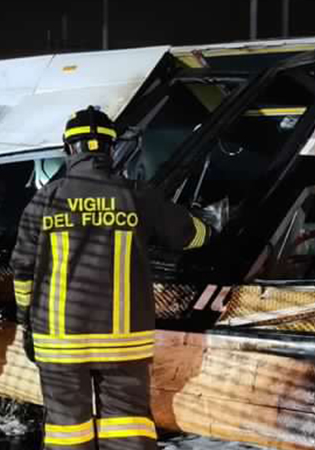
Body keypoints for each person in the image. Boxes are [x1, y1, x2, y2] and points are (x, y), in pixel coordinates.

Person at [11, 106, 214, 450]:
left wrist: (25, 322)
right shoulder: (137, 195)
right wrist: (208, 227)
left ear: (68, 148)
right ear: (111, 148)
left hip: (58, 340)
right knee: (127, 430)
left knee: (66, 432)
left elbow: (22, 271)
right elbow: (190, 236)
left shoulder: (45, 201)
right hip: (123, 341)